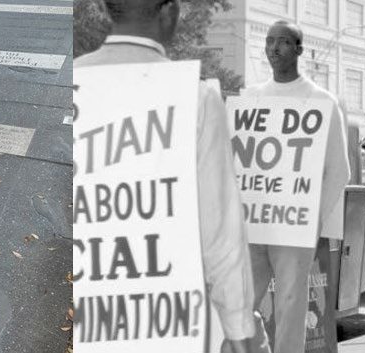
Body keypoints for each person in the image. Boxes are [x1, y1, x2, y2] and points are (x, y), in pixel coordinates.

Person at [74, 1, 255, 352]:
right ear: (169, 13)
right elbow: (220, 231)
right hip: (165, 319)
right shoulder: (196, 97)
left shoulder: (75, 81)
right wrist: (238, 328)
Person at [242, 20, 351, 353]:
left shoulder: (321, 101)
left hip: (294, 226)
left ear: (299, 50)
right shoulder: (252, 97)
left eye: (284, 42)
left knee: (291, 307)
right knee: (238, 302)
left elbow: (339, 170)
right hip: (253, 222)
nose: (274, 48)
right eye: (270, 41)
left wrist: (312, 218)